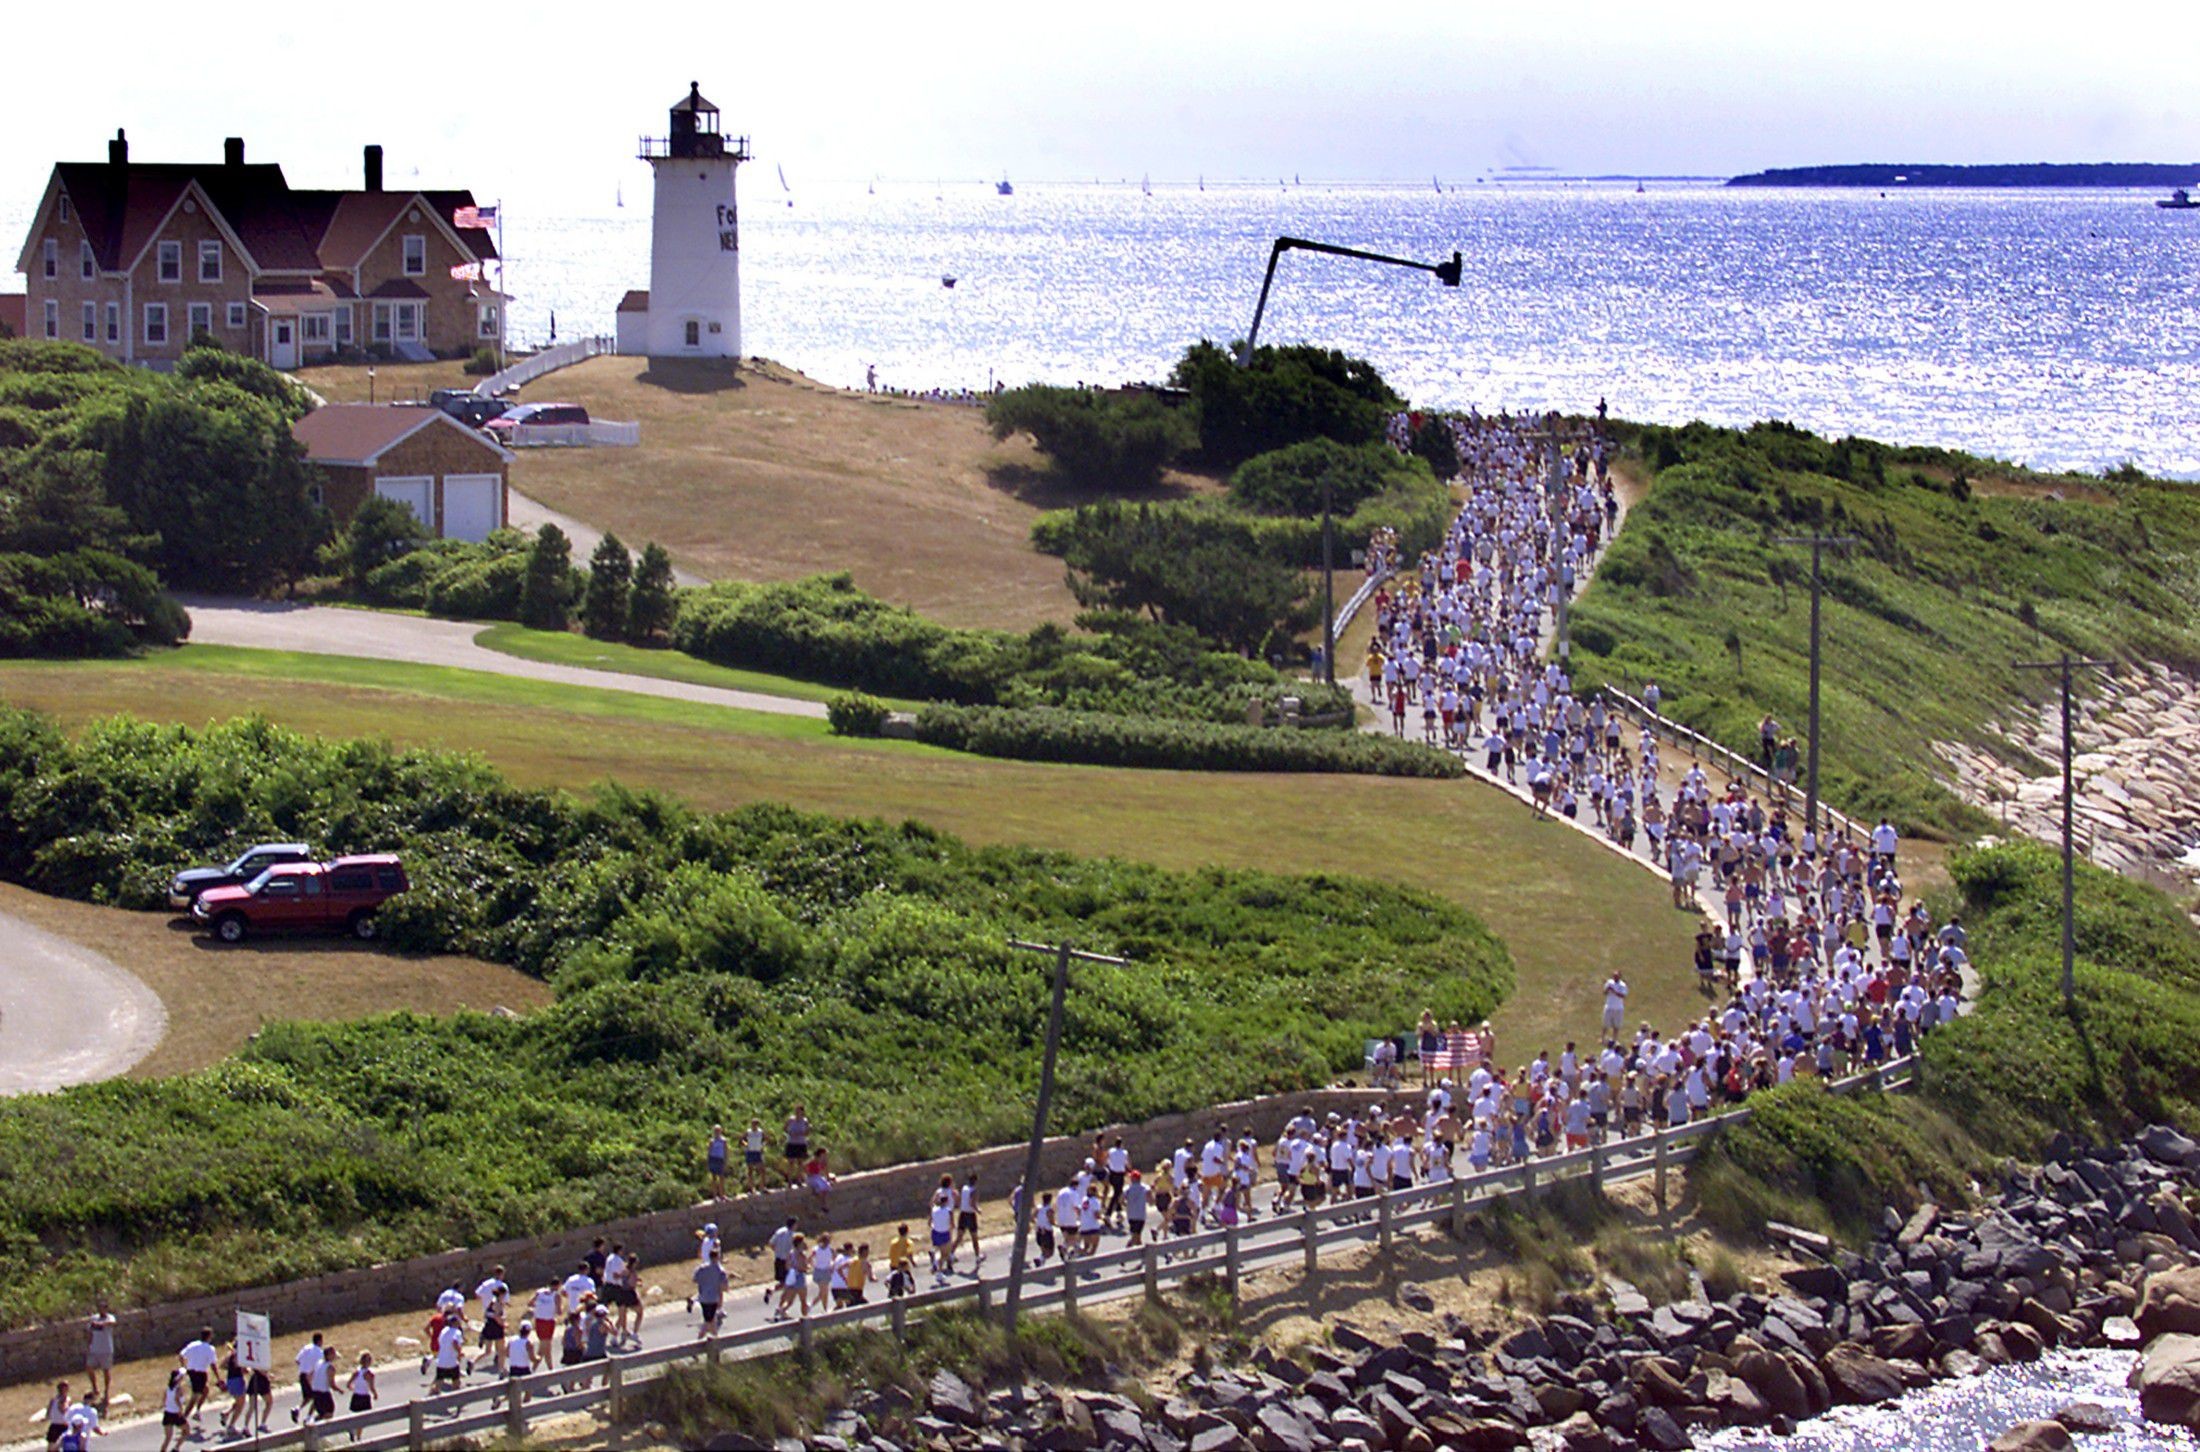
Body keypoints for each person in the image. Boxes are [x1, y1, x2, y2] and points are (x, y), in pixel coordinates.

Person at [177, 1326, 219, 1428]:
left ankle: (197, 1411)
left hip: (191, 1371)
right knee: (195, 1396)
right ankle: (183, 1418)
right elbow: (213, 1365)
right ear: (209, 1336)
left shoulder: (193, 1345)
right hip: (200, 1373)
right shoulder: (210, 1349)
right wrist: (218, 1377)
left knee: (205, 1390)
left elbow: (181, 1355)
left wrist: (184, 1367)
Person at [82, 1302, 116, 1410]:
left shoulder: (110, 1317)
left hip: (106, 1349)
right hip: (94, 1349)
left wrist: (100, 1324)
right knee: (89, 1367)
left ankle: (106, 1391)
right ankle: (95, 1388)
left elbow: (111, 1323)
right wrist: (88, 1344)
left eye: (104, 1308)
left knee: (106, 1371)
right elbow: (89, 1331)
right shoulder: (94, 1318)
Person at [693, 1248, 728, 1333]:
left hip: (703, 1298)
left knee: (709, 1319)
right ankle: (704, 1336)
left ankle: (712, 1336)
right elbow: (724, 1286)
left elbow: (695, 1279)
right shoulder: (720, 1270)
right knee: (710, 1321)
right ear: (717, 1257)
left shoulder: (701, 1268)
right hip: (713, 1299)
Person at [158, 1370, 188, 1452]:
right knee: (186, 1430)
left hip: (168, 1413)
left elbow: (164, 1400)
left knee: (168, 1438)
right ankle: (176, 1448)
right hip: (176, 1414)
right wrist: (181, 1409)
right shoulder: (178, 1389)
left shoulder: (167, 1389)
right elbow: (177, 1399)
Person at [346, 1352, 377, 1419]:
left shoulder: (356, 1372)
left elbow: (348, 1384)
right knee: (364, 1419)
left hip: (356, 1396)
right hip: (364, 1397)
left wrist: (354, 1389)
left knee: (356, 1418)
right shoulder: (369, 1374)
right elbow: (371, 1387)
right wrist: (375, 1394)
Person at [43, 1381, 72, 1449]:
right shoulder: (55, 1400)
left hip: (63, 1425)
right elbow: (60, 1410)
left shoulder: (67, 1399)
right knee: (52, 1447)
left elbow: (66, 1411)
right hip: (57, 1425)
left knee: (67, 1446)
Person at [706, 1123, 729, 1200]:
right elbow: (709, 1151)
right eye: (715, 1130)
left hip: (720, 1159)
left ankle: (722, 1195)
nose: (717, 1132)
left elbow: (726, 1151)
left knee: (722, 1178)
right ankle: (715, 1196)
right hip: (713, 1159)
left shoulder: (724, 1140)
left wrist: (726, 1160)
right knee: (714, 1178)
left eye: (718, 1130)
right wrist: (708, 1161)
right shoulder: (712, 1141)